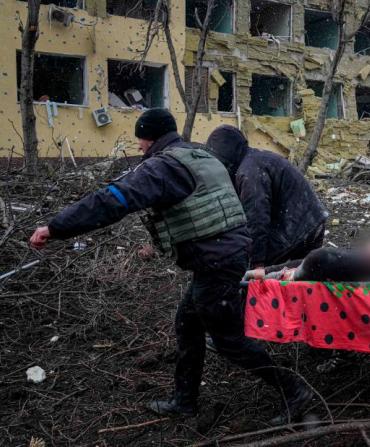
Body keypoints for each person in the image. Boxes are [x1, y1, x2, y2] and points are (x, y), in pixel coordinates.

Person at [28, 109, 311, 425]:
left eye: (139, 139)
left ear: (149, 139)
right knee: (188, 324)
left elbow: (111, 201)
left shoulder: (163, 167)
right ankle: (184, 401)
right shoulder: (198, 154)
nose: (138, 147)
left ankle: (294, 390)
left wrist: (55, 228)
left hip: (217, 260)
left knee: (228, 339)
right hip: (225, 254)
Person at [204, 125, 328, 276]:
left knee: (258, 276)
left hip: (296, 227)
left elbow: (256, 218)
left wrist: (257, 264)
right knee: (299, 278)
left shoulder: (249, 172)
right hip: (310, 221)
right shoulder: (254, 159)